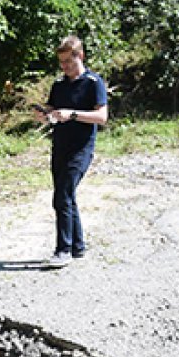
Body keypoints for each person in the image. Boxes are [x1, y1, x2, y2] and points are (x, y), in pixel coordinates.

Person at [33, 35, 108, 268]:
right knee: (66, 196)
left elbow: (102, 117)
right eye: (62, 62)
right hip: (60, 147)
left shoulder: (93, 82)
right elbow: (54, 111)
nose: (65, 67)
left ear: (80, 56)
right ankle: (77, 245)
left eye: (69, 62)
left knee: (61, 197)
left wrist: (73, 114)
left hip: (81, 149)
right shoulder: (59, 84)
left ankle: (62, 249)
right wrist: (45, 116)